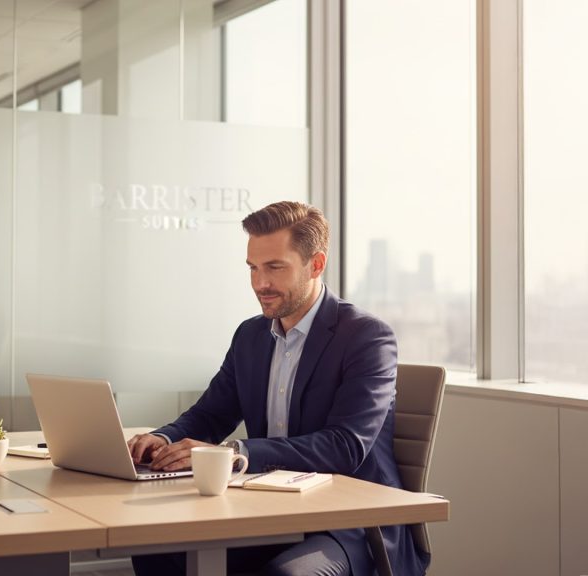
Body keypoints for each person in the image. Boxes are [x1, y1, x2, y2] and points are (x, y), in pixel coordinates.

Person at [126, 201, 428, 576]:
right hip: (269, 511)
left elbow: (345, 446)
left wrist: (235, 452)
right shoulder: (251, 335)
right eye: (253, 268)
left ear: (315, 264)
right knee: (156, 549)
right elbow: (210, 415)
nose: (260, 284)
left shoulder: (366, 337)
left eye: (274, 268)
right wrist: (162, 439)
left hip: (347, 524)